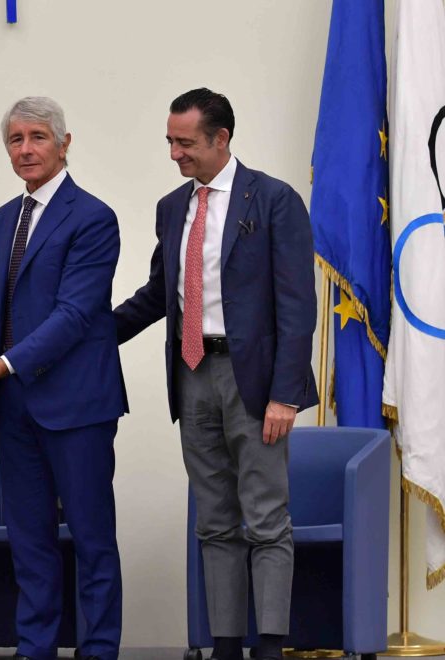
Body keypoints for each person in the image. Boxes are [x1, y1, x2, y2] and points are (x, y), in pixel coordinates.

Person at [114, 88, 316, 660]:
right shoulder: (171, 207)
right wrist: (91, 334)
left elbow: (297, 305)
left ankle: (269, 646)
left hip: (255, 382)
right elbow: (159, 294)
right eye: (169, 142)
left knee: (266, 518)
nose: (174, 154)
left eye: (185, 143)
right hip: (192, 374)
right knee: (214, 520)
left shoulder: (273, 200)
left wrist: (285, 395)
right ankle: (225, 644)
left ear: (221, 138)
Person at [0, 97, 128, 660]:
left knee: (92, 540)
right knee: (28, 541)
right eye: (15, 139)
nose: (25, 149)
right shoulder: (4, 219)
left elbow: (74, 315)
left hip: (78, 406)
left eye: (38, 137)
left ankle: (99, 650)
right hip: (16, 407)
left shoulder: (93, 217)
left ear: (64, 144)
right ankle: (35, 648)